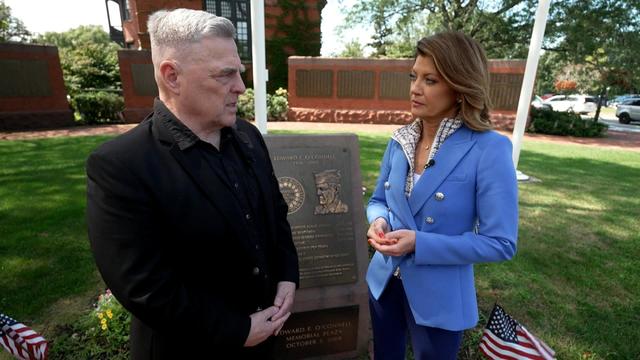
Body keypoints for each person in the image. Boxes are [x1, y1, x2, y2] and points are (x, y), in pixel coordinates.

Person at [86, 8, 298, 359]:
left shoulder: (247, 137)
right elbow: (144, 286)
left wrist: (288, 275)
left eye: (240, 73)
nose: (241, 88)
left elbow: (276, 216)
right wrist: (238, 330)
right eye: (225, 75)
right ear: (172, 76)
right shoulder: (121, 166)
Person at [365, 31, 518, 359]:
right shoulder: (400, 140)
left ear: (459, 87)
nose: (415, 88)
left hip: (442, 296)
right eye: (414, 76)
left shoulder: (489, 149)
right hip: (384, 281)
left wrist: (419, 243)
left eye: (430, 80)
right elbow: (378, 198)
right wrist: (377, 221)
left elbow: (501, 242)